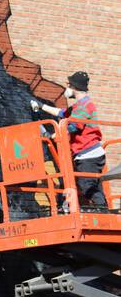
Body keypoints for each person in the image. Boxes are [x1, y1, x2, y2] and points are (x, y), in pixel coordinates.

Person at [32, 72, 107, 210]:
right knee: (91, 185)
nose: (67, 88)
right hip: (87, 154)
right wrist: (42, 106)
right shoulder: (79, 106)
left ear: (75, 87)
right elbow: (62, 113)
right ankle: (103, 210)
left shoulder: (85, 105)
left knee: (87, 186)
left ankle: (103, 211)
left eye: (69, 85)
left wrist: (52, 136)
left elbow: (72, 126)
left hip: (89, 154)